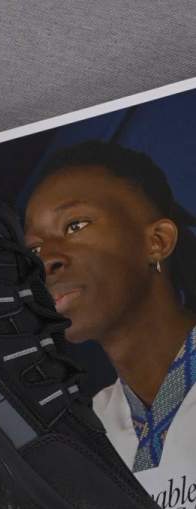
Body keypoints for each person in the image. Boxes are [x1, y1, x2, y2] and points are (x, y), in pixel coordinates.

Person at [22, 140, 196, 472]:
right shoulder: (91, 434)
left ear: (157, 241)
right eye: (35, 250)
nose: (46, 261)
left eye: (75, 225)